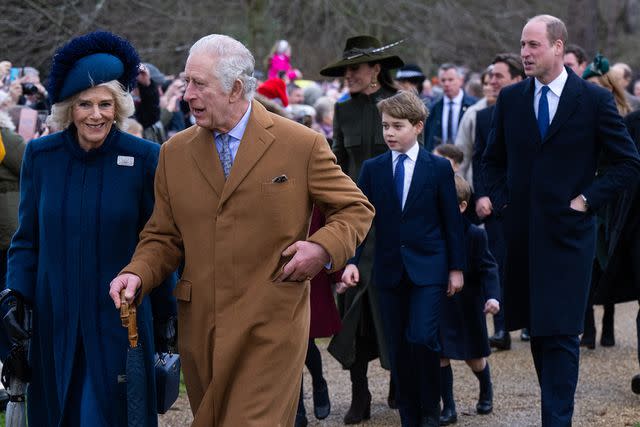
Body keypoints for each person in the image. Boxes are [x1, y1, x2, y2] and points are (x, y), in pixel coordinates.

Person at [108, 34, 374, 427]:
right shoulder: (173, 153)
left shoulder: (301, 144)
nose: (186, 94)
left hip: (272, 322)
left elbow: (355, 209)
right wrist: (137, 272)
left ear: (235, 88)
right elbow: (163, 237)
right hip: (202, 328)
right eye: (186, 82)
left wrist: (321, 250)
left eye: (199, 84)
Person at [5, 31, 176, 426]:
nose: (95, 115)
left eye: (105, 104)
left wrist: (167, 315)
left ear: (119, 107)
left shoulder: (145, 157)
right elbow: (27, 240)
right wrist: (16, 294)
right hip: (55, 322)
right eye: (85, 104)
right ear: (68, 108)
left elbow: (159, 240)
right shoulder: (40, 156)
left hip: (121, 323)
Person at [482, 15, 640, 426]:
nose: (525, 53)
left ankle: (557, 419)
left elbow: (627, 164)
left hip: (570, 238)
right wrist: (503, 204)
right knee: (539, 328)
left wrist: (586, 200)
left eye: (533, 45)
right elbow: (491, 162)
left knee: (563, 332)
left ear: (557, 46)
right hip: (523, 236)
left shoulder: (593, 100)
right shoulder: (513, 100)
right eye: (522, 45)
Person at [341, 90, 465, 427]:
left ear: (418, 126)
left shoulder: (438, 168)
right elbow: (360, 220)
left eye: (397, 126)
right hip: (389, 270)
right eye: (385, 126)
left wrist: (456, 268)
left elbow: (451, 222)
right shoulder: (373, 169)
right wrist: (351, 261)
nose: (389, 133)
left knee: (422, 337)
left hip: (430, 269)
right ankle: (411, 417)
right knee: (398, 348)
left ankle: (431, 408)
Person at [319, 34, 403, 424]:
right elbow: (336, 162)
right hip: (353, 220)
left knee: (395, 300)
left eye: (355, 68)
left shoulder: (401, 103)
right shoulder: (344, 110)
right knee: (351, 302)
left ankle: (400, 377)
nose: (349, 75)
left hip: (396, 220)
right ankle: (360, 392)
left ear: (376, 69)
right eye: (345, 69)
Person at [438, 175, 500, 426]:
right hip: (442, 301)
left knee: (473, 357)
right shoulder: (433, 232)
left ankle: (485, 387)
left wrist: (493, 297)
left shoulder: (475, 235)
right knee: (440, 354)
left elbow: (489, 268)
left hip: (468, 303)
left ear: (462, 207)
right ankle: (448, 406)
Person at [474, 53, 526, 351]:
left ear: (517, 80)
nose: (491, 81)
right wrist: (482, 195)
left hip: (527, 203)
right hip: (495, 205)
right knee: (497, 265)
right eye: (490, 76)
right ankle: (502, 328)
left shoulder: (532, 111)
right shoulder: (484, 116)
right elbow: (482, 159)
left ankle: (530, 323)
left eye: (498, 77)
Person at [579, 54, 632, 349]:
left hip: (615, 197)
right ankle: (587, 327)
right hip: (589, 194)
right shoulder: (580, 117)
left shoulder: (625, 117)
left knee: (608, 260)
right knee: (588, 263)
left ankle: (609, 322)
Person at [423, 63, 477, 151]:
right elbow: (428, 138)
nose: (446, 84)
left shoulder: (473, 105)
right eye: (443, 80)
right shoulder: (433, 108)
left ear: (461, 81)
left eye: (450, 80)